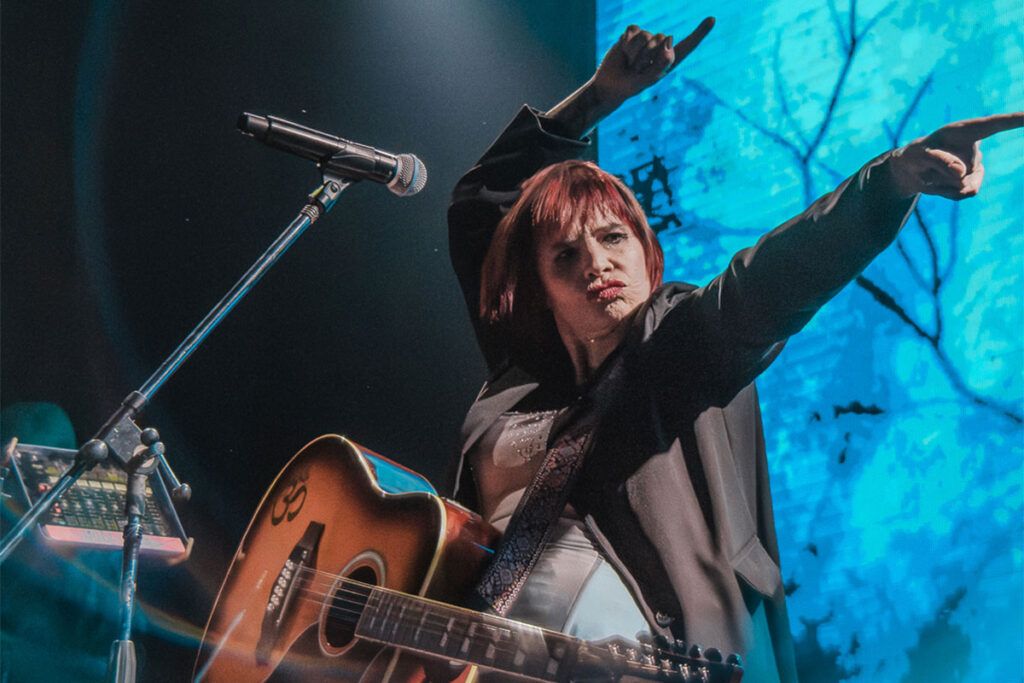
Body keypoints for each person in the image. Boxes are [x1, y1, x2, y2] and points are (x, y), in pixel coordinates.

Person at [446, 18, 1021, 682]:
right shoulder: (519, 380)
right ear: (539, 287)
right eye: (566, 255)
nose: (597, 263)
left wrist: (890, 181)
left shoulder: (677, 345)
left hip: (677, 659)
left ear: (644, 249)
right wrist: (599, 98)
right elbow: (477, 208)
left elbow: (774, 278)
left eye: (612, 238)